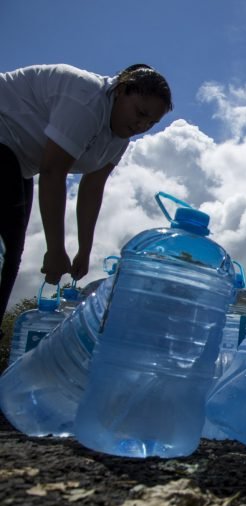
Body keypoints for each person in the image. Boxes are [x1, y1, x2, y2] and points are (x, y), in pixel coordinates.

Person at [0, 63, 173, 329]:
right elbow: (52, 171)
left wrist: (84, 249)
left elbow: (93, 189)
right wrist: (56, 249)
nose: (141, 125)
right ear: (122, 90)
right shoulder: (87, 99)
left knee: (12, 254)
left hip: (18, 164)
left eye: (151, 123)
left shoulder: (119, 139)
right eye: (140, 113)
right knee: (4, 248)